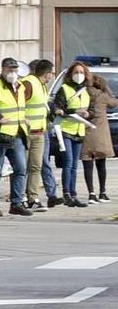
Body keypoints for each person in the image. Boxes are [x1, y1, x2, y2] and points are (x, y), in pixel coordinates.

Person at [0, 57, 34, 218]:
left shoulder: (19, 86)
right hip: (0, 135)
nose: (12, 73)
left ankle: (16, 203)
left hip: (17, 133)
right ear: (2, 70)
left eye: (14, 70)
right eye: (9, 70)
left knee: (20, 169)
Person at [56, 62, 92, 208]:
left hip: (79, 130)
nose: (79, 75)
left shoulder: (85, 91)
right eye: (76, 72)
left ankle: (73, 193)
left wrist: (88, 113)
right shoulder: (64, 89)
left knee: (74, 165)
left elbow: (91, 110)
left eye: (82, 72)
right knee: (68, 162)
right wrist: (74, 112)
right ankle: (67, 194)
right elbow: (58, 108)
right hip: (66, 130)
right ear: (71, 74)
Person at [27, 59, 58, 210]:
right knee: (22, 167)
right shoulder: (29, 83)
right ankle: (20, 198)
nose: (53, 76)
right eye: (52, 73)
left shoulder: (43, 86)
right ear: (46, 73)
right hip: (26, 132)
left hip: (40, 131)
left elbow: (45, 105)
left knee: (36, 166)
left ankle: (33, 199)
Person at [85, 73, 114, 202]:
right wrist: (106, 88)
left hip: (86, 132)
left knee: (87, 164)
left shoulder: (83, 93)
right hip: (100, 133)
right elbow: (114, 103)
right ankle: (102, 192)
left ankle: (91, 193)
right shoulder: (102, 96)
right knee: (101, 164)